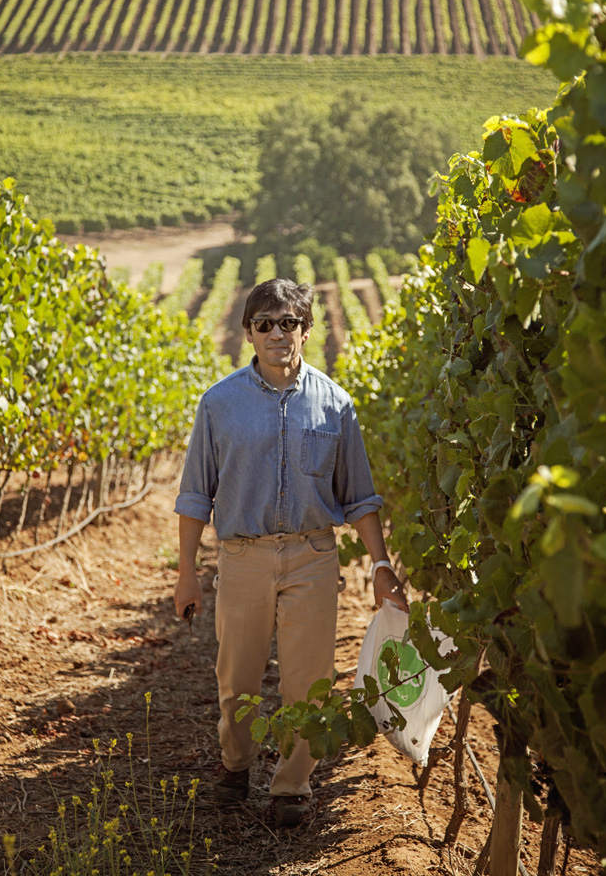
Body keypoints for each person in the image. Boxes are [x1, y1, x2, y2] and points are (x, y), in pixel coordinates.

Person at [173, 278, 408, 828]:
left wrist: (380, 565)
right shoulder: (219, 404)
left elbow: (360, 497)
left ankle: (292, 784)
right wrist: (187, 572)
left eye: (289, 323)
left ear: (306, 329)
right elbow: (194, 495)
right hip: (243, 558)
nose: (279, 333)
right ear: (249, 333)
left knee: (310, 682)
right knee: (239, 677)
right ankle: (236, 763)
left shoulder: (337, 404)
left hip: (312, 556)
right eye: (266, 324)